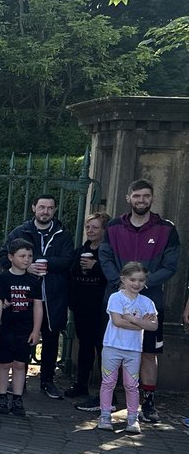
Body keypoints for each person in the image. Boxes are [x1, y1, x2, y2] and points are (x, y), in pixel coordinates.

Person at [97, 179, 179, 423]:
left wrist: (143, 283)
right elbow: (105, 257)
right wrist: (120, 283)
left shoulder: (166, 229)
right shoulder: (113, 227)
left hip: (150, 300)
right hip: (117, 300)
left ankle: (148, 402)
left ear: (152, 198)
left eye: (146, 196)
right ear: (128, 197)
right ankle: (107, 401)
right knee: (112, 347)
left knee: (148, 353)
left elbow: (171, 265)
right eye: (137, 196)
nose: (141, 200)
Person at [0, 194, 75, 400]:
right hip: (22, 295)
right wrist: (26, 266)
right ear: (33, 208)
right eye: (42, 207)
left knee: (50, 338)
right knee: (20, 338)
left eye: (50, 208)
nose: (45, 211)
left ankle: (47, 381)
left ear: (54, 210)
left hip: (53, 295)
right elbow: (2, 256)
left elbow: (68, 260)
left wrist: (45, 263)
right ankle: (16, 384)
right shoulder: (19, 232)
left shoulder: (63, 234)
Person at [96, 262, 158, 435]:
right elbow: (117, 321)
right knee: (108, 382)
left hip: (133, 350)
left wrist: (133, 320)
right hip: (112, 346)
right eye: (133, 279)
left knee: (132, 384)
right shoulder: (115, 298)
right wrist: (141, 324)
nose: (137, 284)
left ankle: (132, 418)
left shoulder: (147, 302)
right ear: (123, 279)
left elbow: (153, 326)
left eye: (141, 280)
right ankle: (105, 415)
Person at [0, 239, 43, 418]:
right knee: (4, 363)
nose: (27, 259)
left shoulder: (34, 280)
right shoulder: (2, 278)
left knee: (21, 364)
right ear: (11, 257)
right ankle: (2, 396)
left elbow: (38, 306)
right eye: (22, 256)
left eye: (29, 256)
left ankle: (17, 398)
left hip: (25, 328)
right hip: (6, 327)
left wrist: (36, 330)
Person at [67, 211, 110, 402]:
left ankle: (105, 390)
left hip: (101, 307)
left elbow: (113, 276)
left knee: (103, 348)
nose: (90, 231)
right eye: (88, 227)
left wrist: (96, 266)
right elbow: (71, 273)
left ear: (105, 229)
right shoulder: (80, 249)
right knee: (84, 346)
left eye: (95, 227)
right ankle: (81, 384)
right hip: (82, 306)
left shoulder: (108, 252)